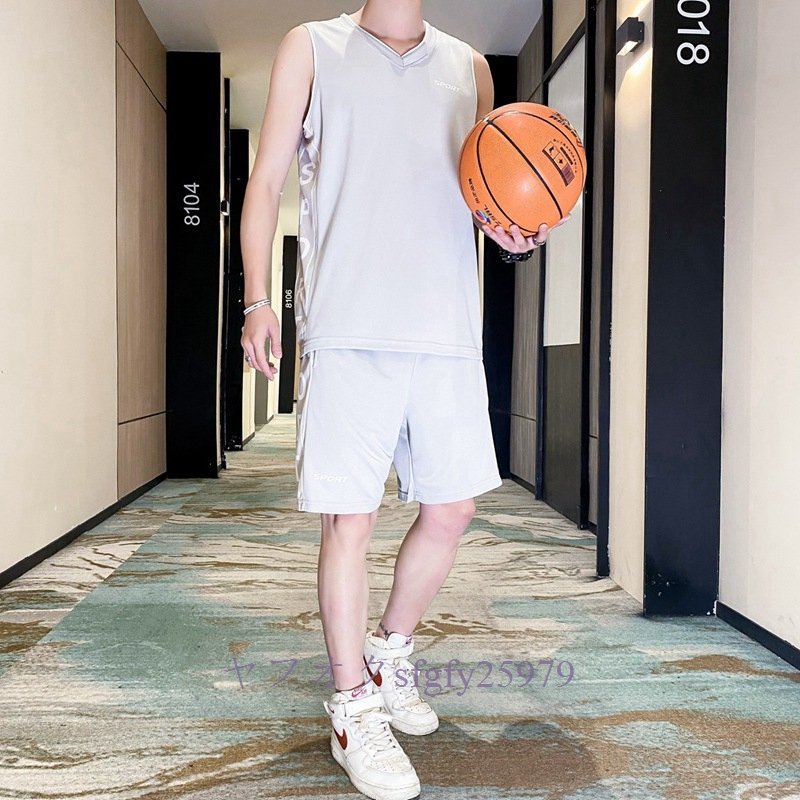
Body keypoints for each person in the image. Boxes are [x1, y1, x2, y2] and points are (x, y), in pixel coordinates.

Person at [240, 2, 555, 798]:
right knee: (351, 520)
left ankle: (388, 653)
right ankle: (352, 707)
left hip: (446, 326)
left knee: (453, 510)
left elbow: (477, 192)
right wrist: (256, 298)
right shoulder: (311, 47)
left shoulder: (470, 67)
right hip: (349, 322)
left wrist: (510, 229)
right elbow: (267, 179)